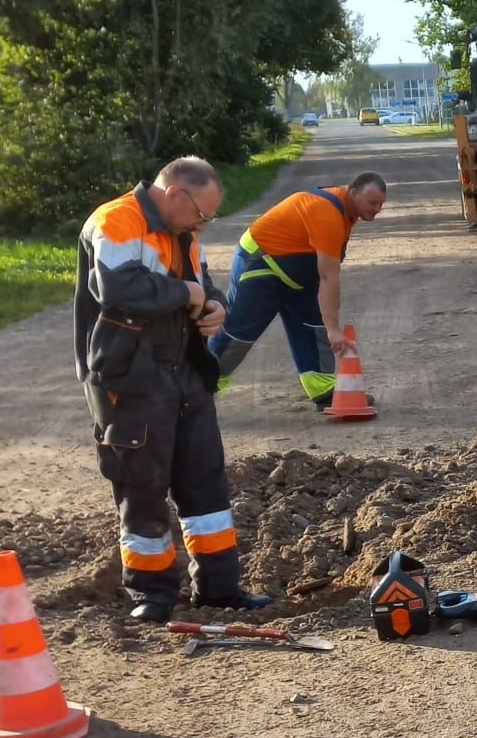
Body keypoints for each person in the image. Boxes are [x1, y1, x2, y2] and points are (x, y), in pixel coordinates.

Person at [74, 158, 269, 624]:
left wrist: (215, 306)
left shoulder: (184, 232)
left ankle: (219, 588)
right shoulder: (116, 220)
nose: (204, 223)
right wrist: (188, 295)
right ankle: (154, 594)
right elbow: (118, 288)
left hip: (184, 373)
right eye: (202, 213)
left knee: (206, 483)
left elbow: (203, 286)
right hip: (129, 378)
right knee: (141, 487)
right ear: (174, 193)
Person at [207, 172, 387, 408]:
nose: (377, 209)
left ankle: (324, 390)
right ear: (354, 194)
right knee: (237, 335)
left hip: (296, 276)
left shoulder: (345, 210)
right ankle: (197, 389)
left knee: (313, 326)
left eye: (381, 204)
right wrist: (335, 329)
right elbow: (328, 275)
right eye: (373, 202)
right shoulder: (328, 214)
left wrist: (328, 325)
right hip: (261, 264)